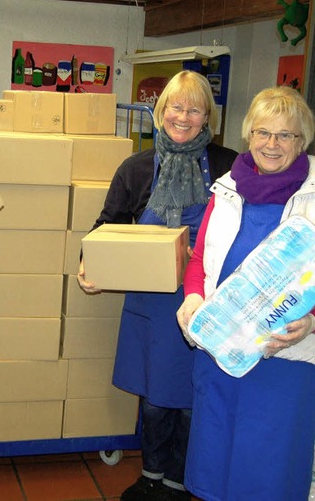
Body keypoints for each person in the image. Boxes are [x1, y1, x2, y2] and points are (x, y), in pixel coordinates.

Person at [78, 70, 238, 500]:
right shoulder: (137, 168)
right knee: (154, 398)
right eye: (175, 106)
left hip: (206, 299)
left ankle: (182, 479)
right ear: (160, 110)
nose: (183, 117)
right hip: (151, 303)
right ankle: (151, 475)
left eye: (194, 108)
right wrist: (88, 266)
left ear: (208, 117)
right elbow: (104, 228)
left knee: (193, 398)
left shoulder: (230, 167)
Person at [176, 85, 315, 500]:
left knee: (268, 473)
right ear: (248, 136)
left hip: (284, 360)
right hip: (221, 353)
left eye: (284, 135)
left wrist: (311, 321)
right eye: (262, 132)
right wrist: (193, 298)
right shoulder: (226, 188)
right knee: (214, 464)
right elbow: (200, 259)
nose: (271, 144)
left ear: (302, 141)